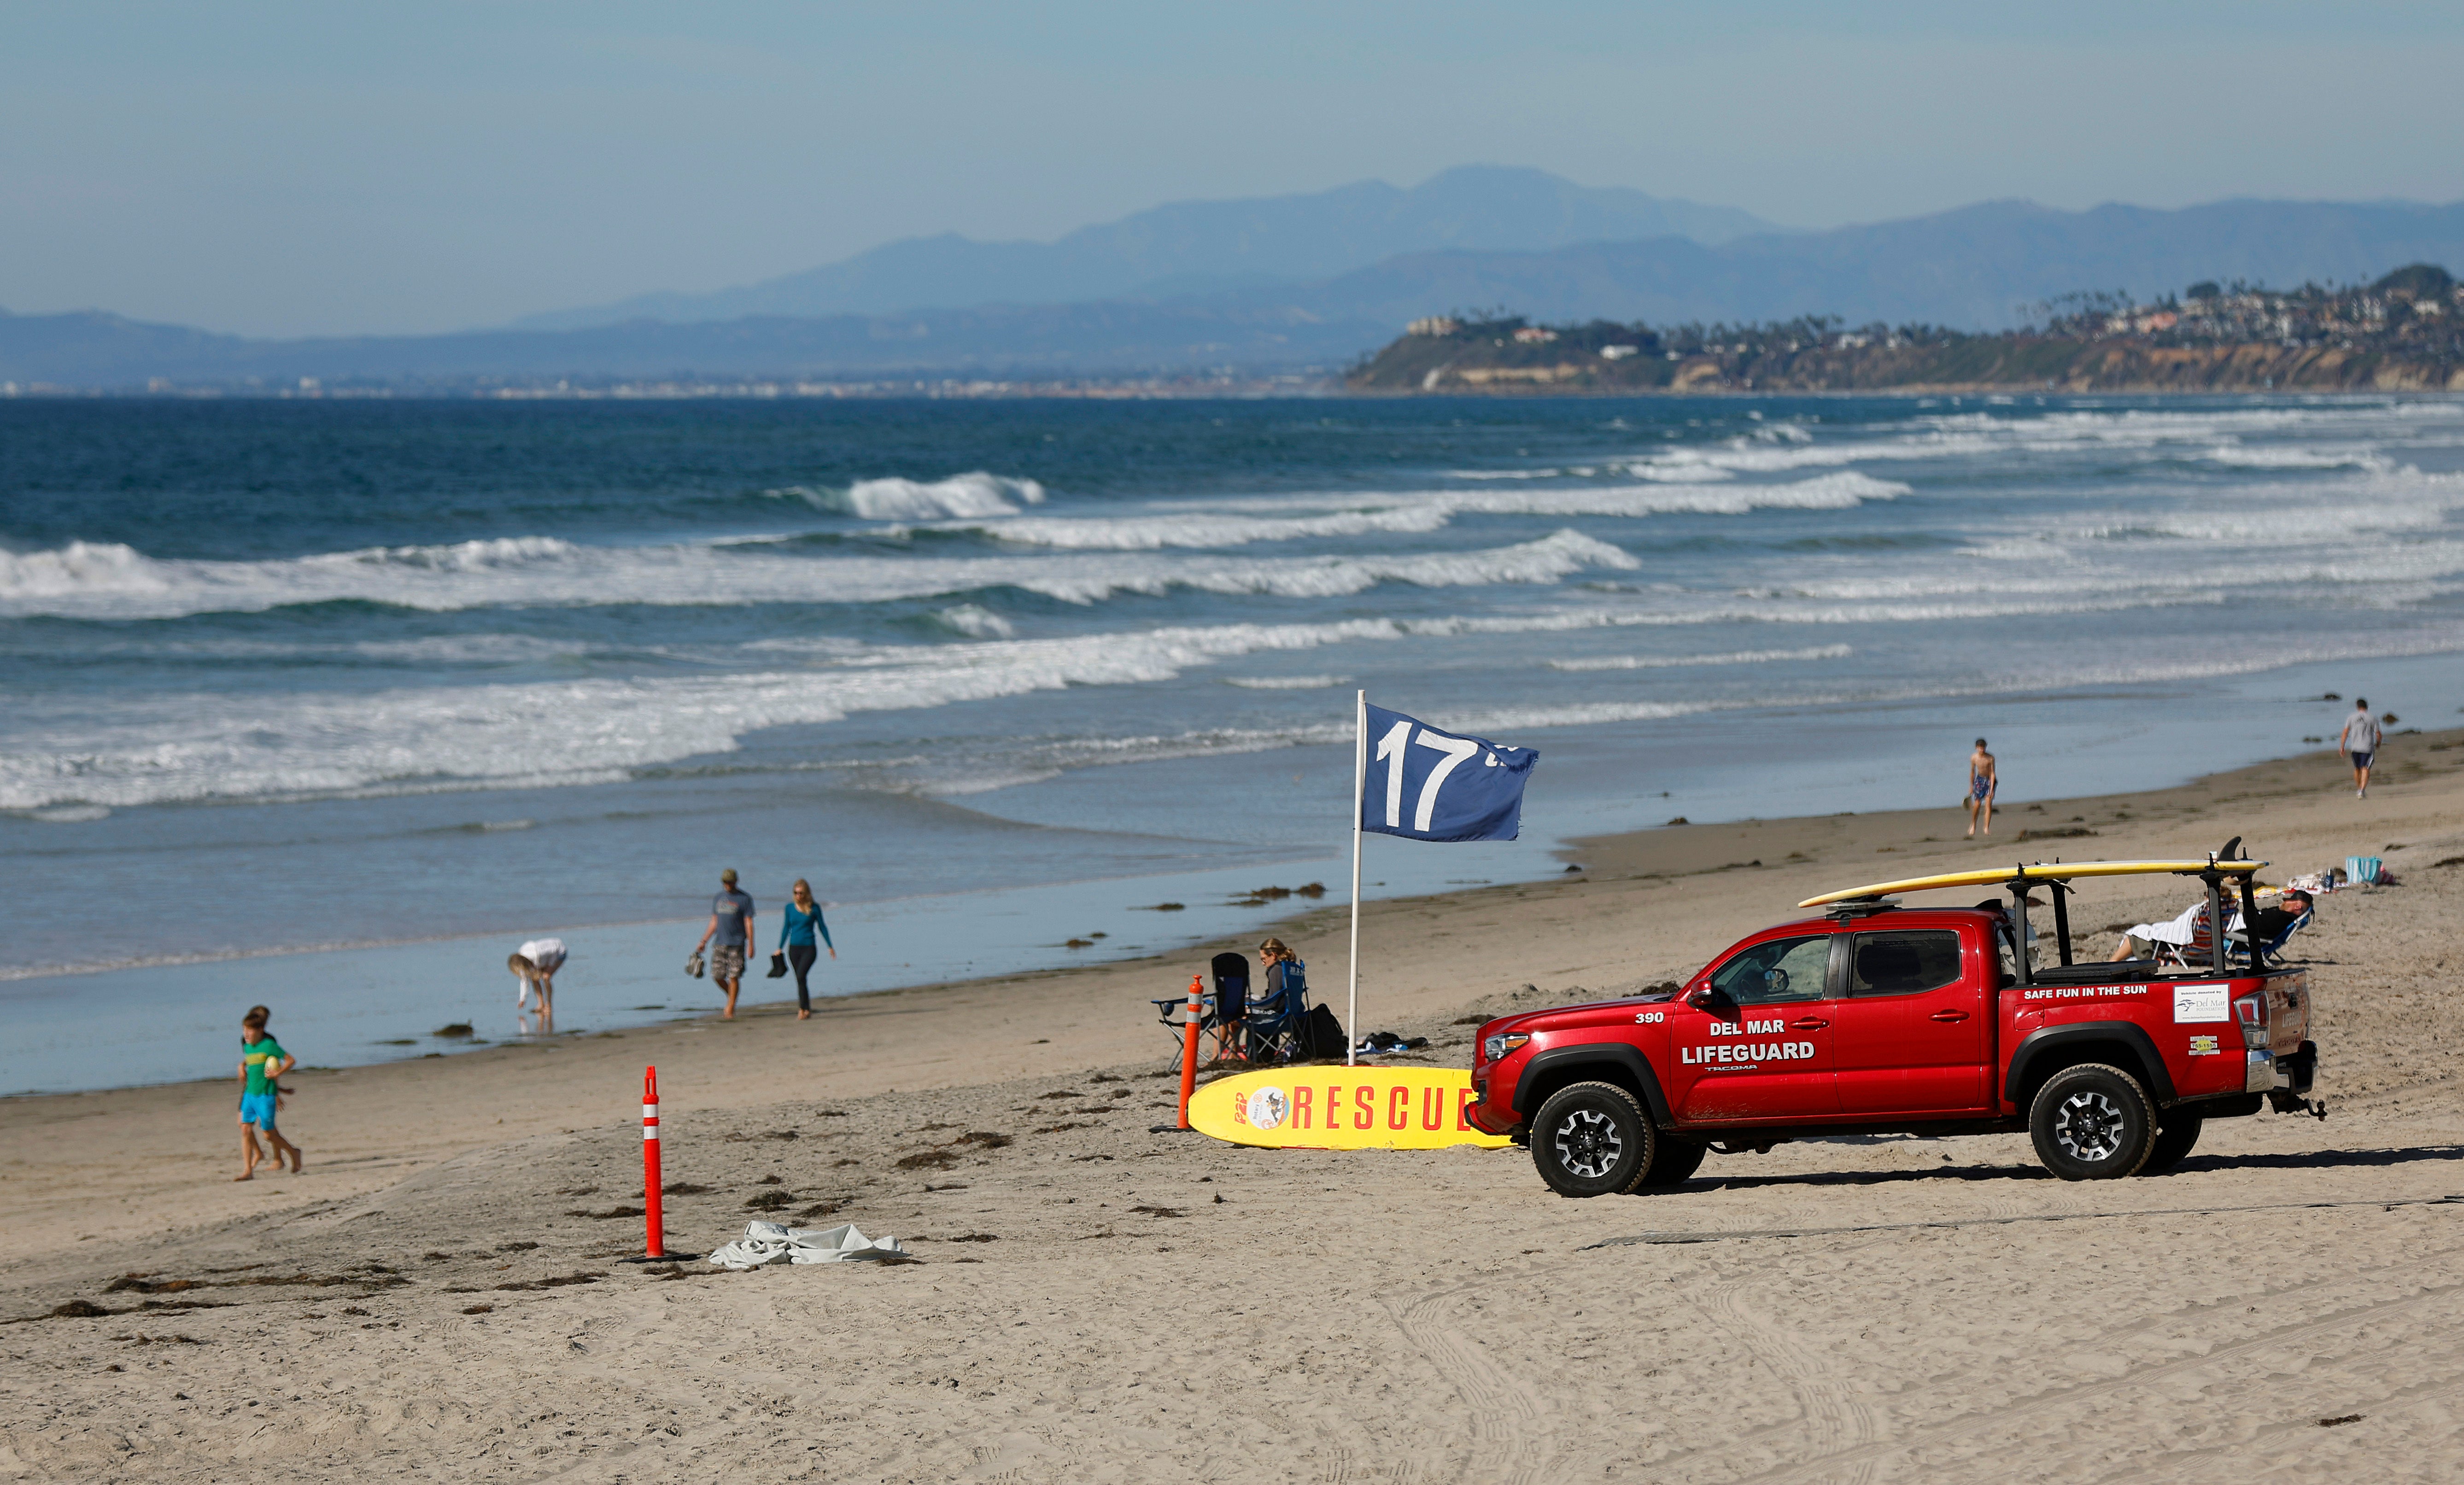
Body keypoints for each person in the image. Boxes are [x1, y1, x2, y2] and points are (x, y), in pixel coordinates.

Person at [236, 1005, 303, 1180]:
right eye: (244, 1030)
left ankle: (294, 1152)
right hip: (250, 1095)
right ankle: (248, 1171)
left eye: (249, 1031)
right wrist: (242, 1066)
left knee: (269, 1135)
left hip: (266, 1096)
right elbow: (254, 1067)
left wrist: (278, 1075)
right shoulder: (248, 1047)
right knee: (245, 1129)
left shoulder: (269, 1045)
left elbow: (291, 1060)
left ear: (260, 1029)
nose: (246, 1034)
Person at [696, 869, 756, 1019]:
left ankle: (730, 1008)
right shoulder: (718, 898)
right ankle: (732, 997)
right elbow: (714, 921)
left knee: (734, 976)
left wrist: (751, 944)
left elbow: (748, 922)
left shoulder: (745, 899)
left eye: (730, 882)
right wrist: (704, 941)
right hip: (720, 943)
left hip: (737, 943)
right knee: (718, 976)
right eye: (725, 882)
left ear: (736, 881)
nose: (727, 885)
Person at [776, 879, 836, 1021]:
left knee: (801, 976)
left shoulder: (814, 908)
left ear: (807, 893)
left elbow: (822, 927)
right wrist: (779, 947)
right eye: (796, 893)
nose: (798, 896)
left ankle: (803, 1009)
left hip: (809, 948)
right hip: (794, 949)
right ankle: (805, 1009)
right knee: (800, 979)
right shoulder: (789, 908)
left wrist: (830, 946)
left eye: (801, 893)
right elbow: (786, 928)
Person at [509, 935, 567, 1013]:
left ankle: (549, 1005)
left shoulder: (537, 953)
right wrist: (522, 999)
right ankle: (541, 1005)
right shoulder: (522, 963)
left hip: (559, 952)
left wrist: (550, 965)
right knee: (534, 978)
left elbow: (555, 949)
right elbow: (524, 981)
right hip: (542, 960)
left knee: (546, 977)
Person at [2340, 698, 2382, 798]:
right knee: (2366, 768)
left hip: (2355, 747)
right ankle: (2362, 790)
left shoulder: (2351, 717)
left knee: (2357, 769)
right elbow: (2378, 733)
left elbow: (2345, 732)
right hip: (2367, 747)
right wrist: (2379, 743)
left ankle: (2360, 789)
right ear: (2367, 706)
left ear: (2357, 707)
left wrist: (2342, 746)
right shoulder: (2372, 717)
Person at [1965, 738, 1997, 838]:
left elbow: (1992, 773)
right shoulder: (1974, 758)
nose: (1982, 750)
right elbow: (1973, 772)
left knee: (1988, 804)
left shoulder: (1990, 758)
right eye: (1980, 748)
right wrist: (1971, 786)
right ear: (1977, 748)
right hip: (1979, 781)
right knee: (1977, 804)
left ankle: (1986, 827)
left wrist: (1991, 789)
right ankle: (1973, 825)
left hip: (1989, 781)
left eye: (1983, 748)